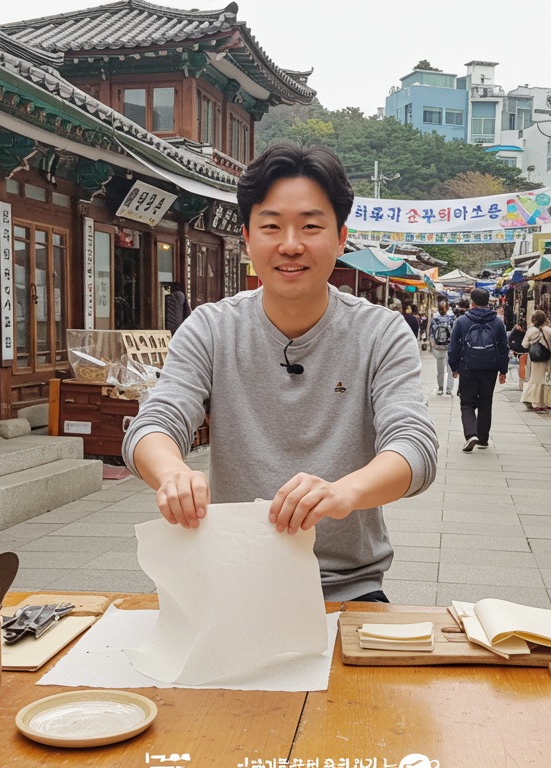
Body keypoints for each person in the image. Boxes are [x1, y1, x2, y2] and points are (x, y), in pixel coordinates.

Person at [121, 144, 438, 603]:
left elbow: (414, 447)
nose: (291, 244)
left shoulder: (380, 332)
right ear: (248, 239)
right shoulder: (210, 328)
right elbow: (155, 422)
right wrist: (172, 473)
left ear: (341, 239)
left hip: (348, 588)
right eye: (271, 226)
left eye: (311, 226)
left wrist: (344, 492)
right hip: (230, 582)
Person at [448, 287, 509, 452]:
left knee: (467, 403)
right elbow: (503, 348)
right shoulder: (497, 322)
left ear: (472, 303)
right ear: (488, 302)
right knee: (486, 402)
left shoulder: (462, 321)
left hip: (467, 367)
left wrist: (454, 366)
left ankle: (471, 434)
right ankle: (483, 439)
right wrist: (503, 370)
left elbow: (454, 346)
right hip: (490, 368)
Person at [521, 310, 551, 411]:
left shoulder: (531, 331)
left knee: (534, 378)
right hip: (546, 357)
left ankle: (528, 398)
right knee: (544, 379)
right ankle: (540, 402)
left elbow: (524, 345)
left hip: (534, 358)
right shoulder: (548, 330)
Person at [428, 301, 456, 396]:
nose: (441, 310)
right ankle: (447, 388)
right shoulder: (452, 319)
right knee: (447, 369)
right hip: (448, 347)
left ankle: (442, 388)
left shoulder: (435, 319)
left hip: (440, 347)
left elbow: (431, 333)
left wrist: (432, 344)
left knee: (441, 369)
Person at [507, 319, 527, 386]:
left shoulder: (523, 333)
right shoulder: (514, 332)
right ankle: (521, 381)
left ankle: (521, 381)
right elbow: (510, 342)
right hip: (517, 352)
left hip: (522, 352)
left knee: (521, 367)